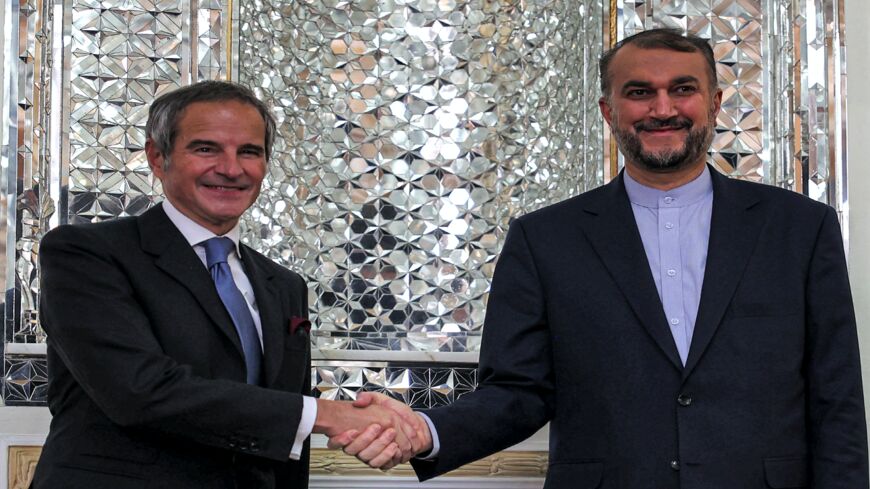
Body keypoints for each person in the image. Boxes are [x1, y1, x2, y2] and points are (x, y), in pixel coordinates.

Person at [331, 28, 870, 488]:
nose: (663, 108)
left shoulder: (800, 228)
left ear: (715, 102)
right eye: (640, 92)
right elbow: (517, 392)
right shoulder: (544, 239)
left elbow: (836, 396)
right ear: (609, 111)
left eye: (683, 89)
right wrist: (428, 431)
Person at [30, 80, 422, 489]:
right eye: (206, 149)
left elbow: (282, 443)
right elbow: (140, 391)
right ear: (157, 157)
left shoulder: (283, 285)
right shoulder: (87, 253)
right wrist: (327, 413)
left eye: (249, 152)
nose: (232, 169)